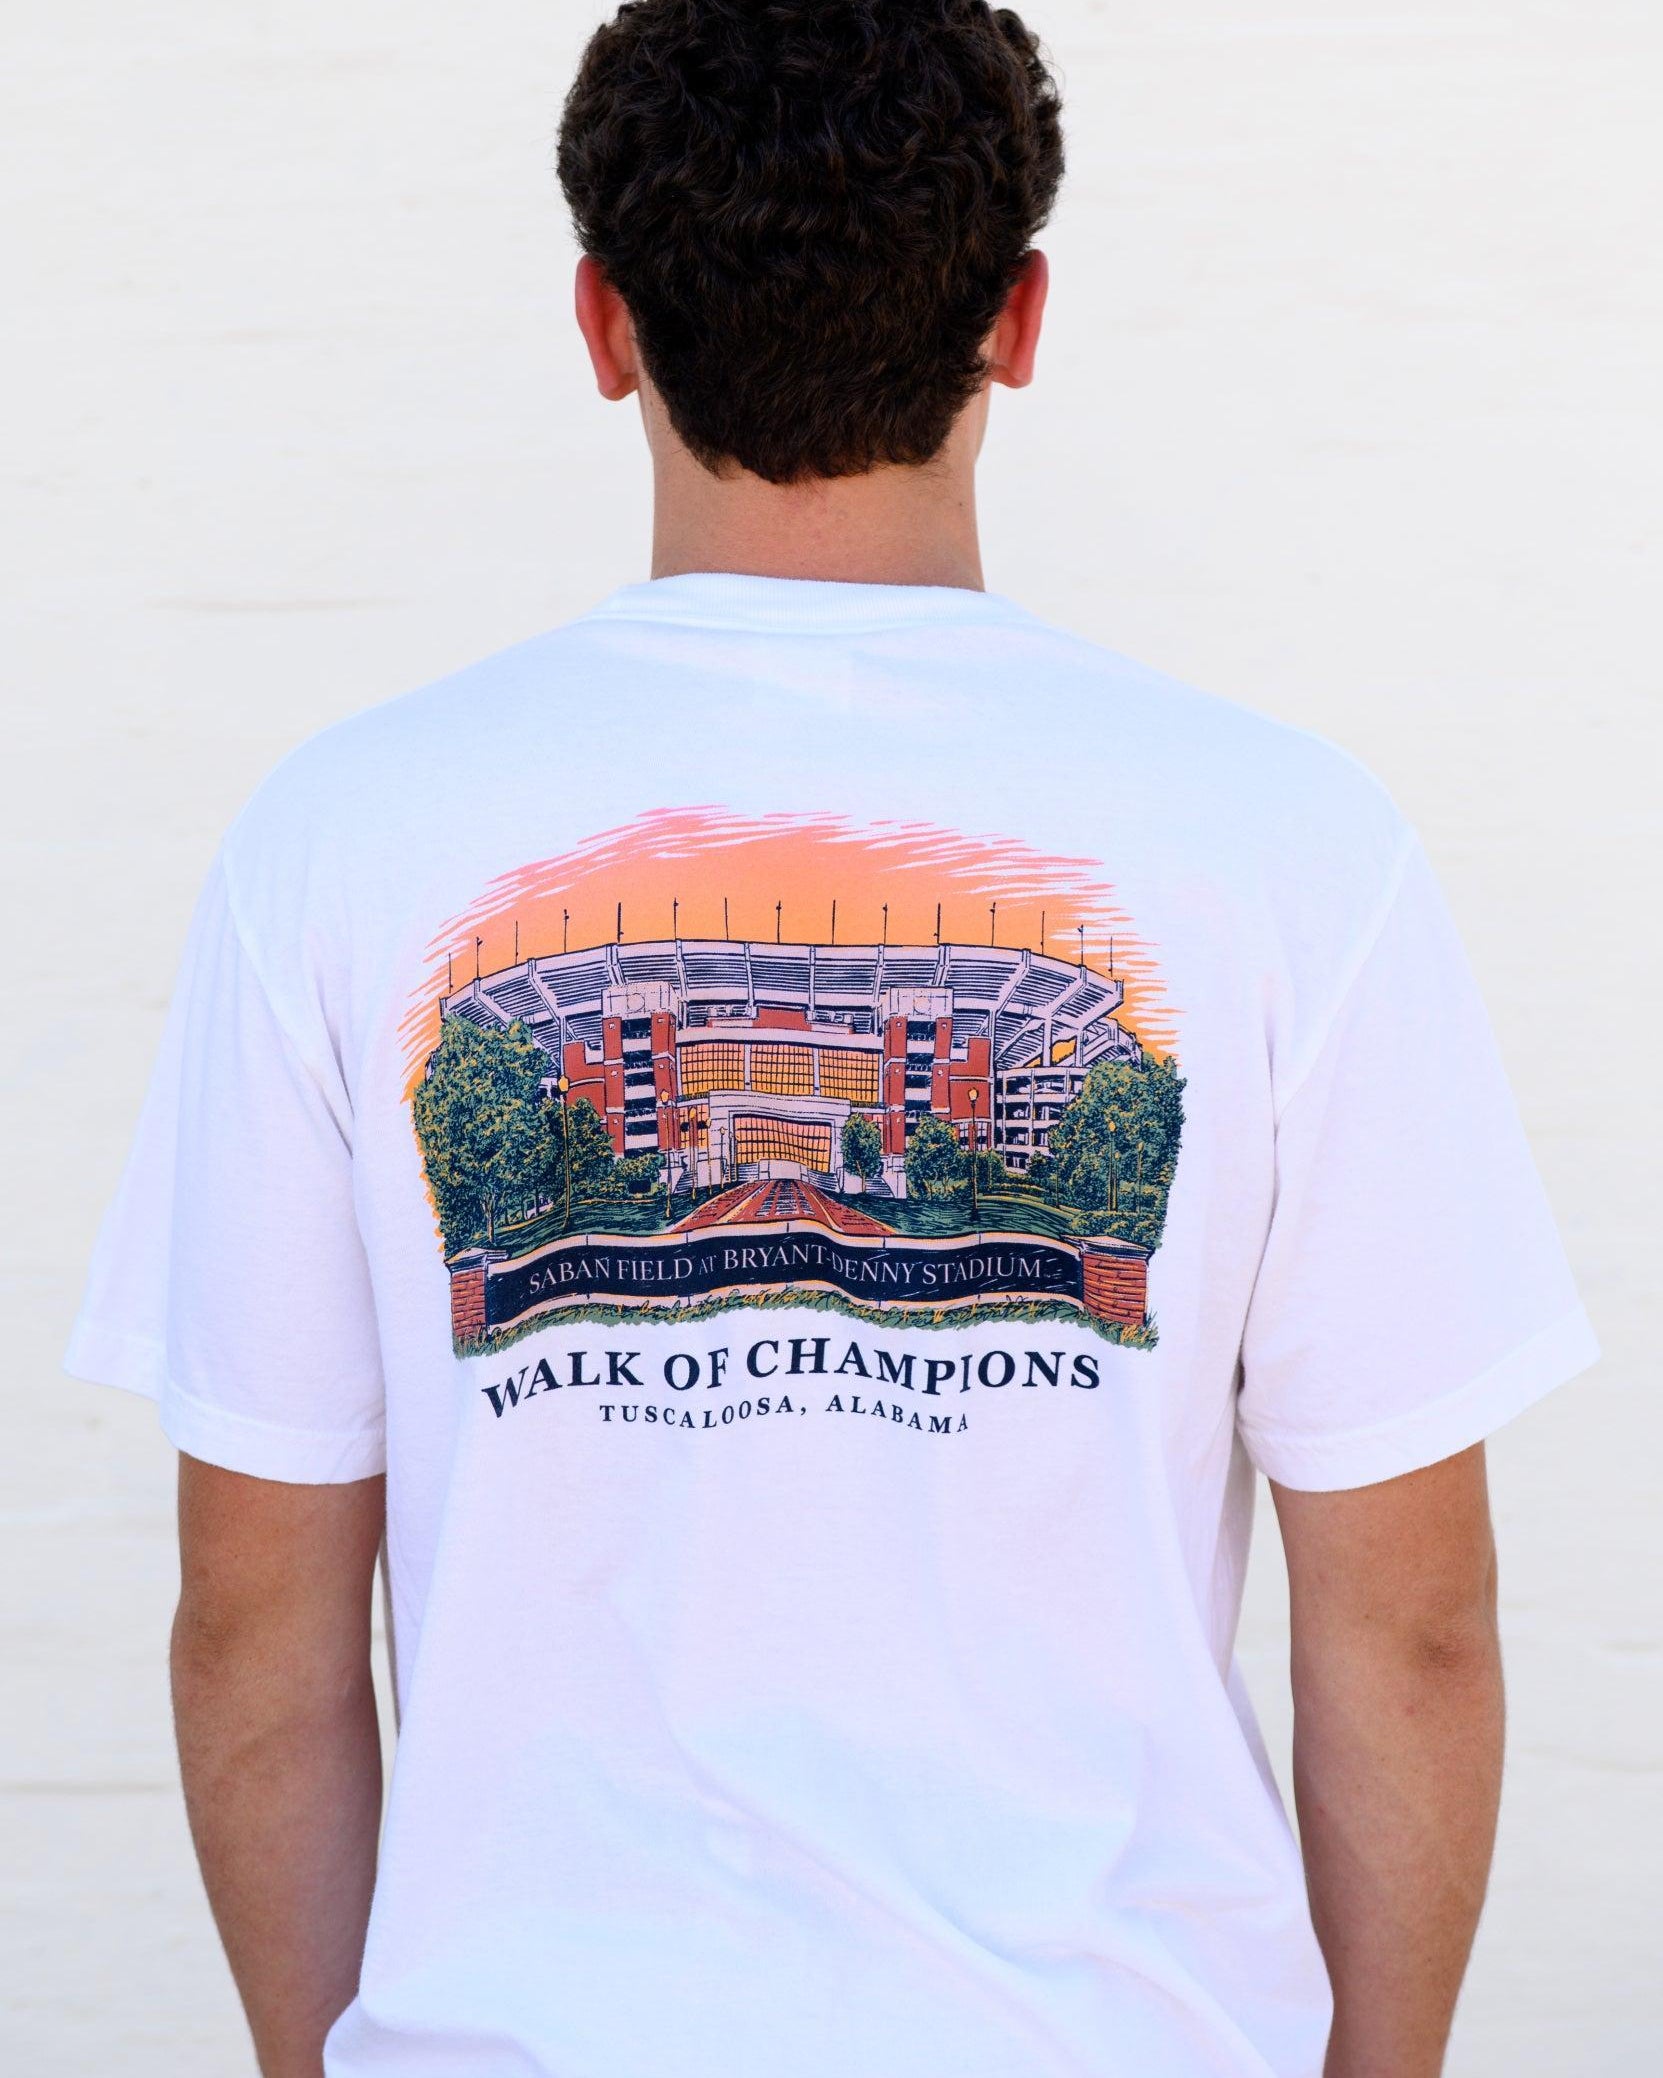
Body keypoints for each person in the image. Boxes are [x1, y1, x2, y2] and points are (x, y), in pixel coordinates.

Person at [66, 4, 1598, 2074]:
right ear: (1021, 318)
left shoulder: (337, 843)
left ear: (603, 323)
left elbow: (258, 1624)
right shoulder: (1290, 848)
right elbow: (1408, 1624)